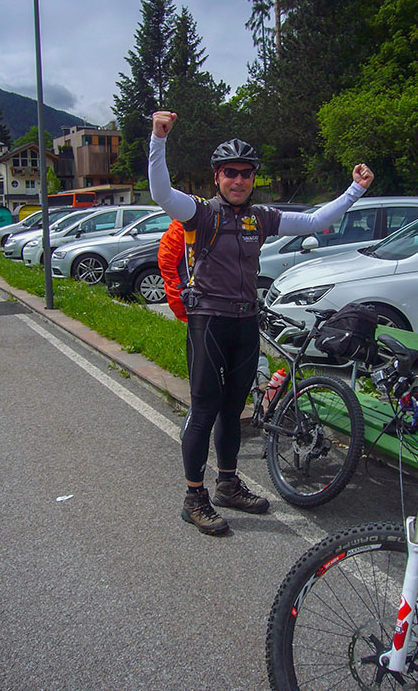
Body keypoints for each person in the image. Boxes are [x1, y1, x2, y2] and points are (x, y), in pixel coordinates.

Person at [149, 110, 374, 535]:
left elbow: (316, 221)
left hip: (245, 321)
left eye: (246, 174)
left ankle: (227, 484)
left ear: (254, 179)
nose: (238, 181)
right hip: (208, 323)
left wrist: (354, 191)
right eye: (230, 173)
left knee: (236, 410)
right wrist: (158, 140)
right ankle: (193, 497)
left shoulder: (260, 218)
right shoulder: (199, 213)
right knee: (204, 410)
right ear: (216, 177)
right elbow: (161, 192)